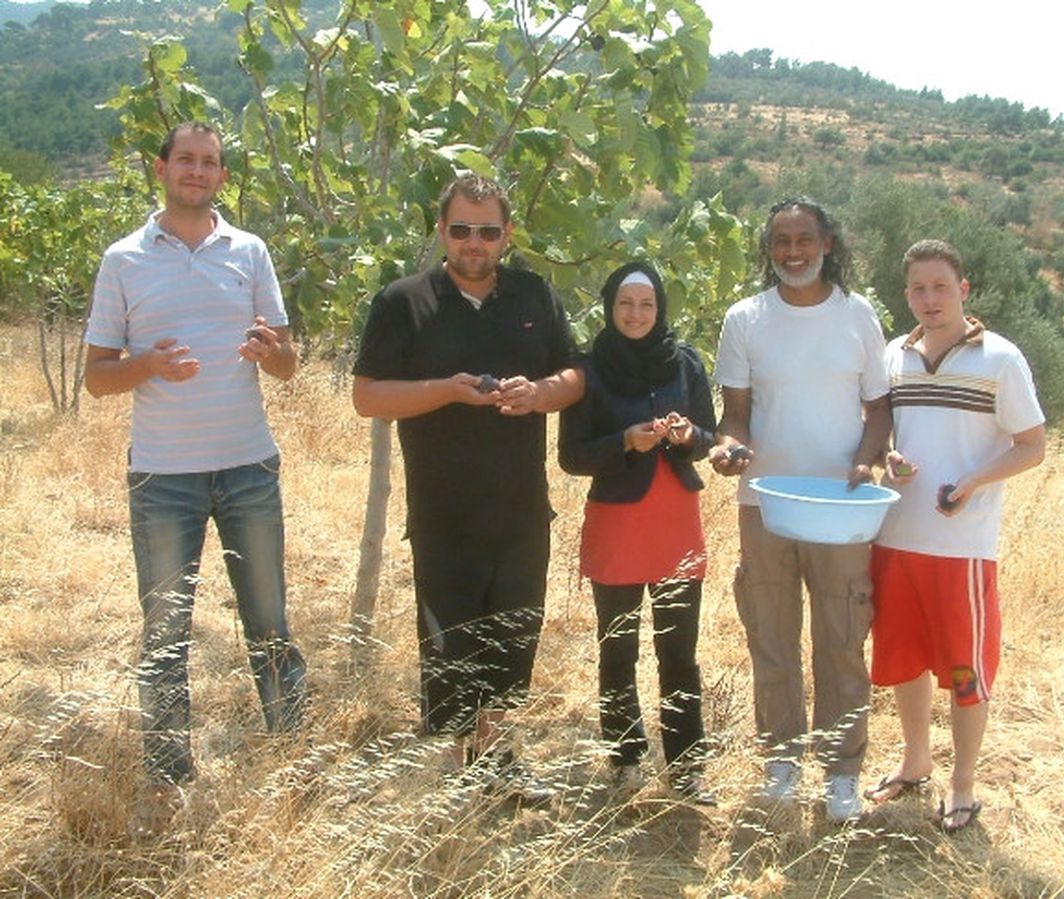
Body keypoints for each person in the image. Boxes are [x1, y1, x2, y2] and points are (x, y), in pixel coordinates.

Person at [84, 122, 308, 807]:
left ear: (222, 177)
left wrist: (269, 352)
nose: (197, 170)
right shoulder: (123, 260)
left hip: (248, 467)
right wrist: (147, 365)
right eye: (186, 159)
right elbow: (96, 377)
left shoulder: (250, 251)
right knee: (164, 633)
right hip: (163, 477)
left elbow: (288, 364)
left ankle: (292, 761)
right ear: (161, 169)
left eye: (210, 162)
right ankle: (167, 777)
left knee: (270, 623)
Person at [351, 173, 583, 800]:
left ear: (507, 234)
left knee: (512, 636)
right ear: (441, 231)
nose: (473, 242)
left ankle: (496, 755)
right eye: (461, 230)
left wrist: (539, 393)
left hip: (521, 510)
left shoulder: (535, 295)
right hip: (442, 512)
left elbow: (575, 376)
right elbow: (367, 396)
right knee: (449, 640)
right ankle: (459, 766)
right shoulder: (403, 301)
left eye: (487, 231)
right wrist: (447, 391)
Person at [708, 197, 891, 822]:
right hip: (766, 505)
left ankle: (841, 774)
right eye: (781, 241)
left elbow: (880, 411)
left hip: (841, 508)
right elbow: (735, 415)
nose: (793, 252)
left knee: (842, 638)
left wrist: (864, 463)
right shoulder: (745, 319)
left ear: (827, 244)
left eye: (804, 239)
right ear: (769, 250)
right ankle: (781, 763)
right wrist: (727, 449)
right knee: (772, 636)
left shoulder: (858, 315)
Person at [863, 239, 1046, 832]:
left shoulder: (1000, 359)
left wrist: (972, 482)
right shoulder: (894, 356)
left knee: (965, 669)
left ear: (963, 289)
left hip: (961, 547)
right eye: (918, 288)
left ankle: (963, 782)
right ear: (906, 294)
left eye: (941, 286)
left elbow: (1032, 445)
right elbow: (882, 432)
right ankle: (915, 759)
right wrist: (888, 458)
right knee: (905, 659)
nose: (930, 298)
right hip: (894, 536)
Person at [558, 261, 718, 806]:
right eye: (625, 304)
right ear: (610, 307)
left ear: (660, 308)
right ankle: (625, 760)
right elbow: (572, 456)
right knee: (618, 650)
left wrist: (688, 436)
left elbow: (709, 438)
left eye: (646, 304)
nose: (635, 314)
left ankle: (687, 767)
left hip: (675, 520)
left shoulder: (685, 362)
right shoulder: (588, 370)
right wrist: (625, 440)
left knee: (679, 652)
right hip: (618, 524)